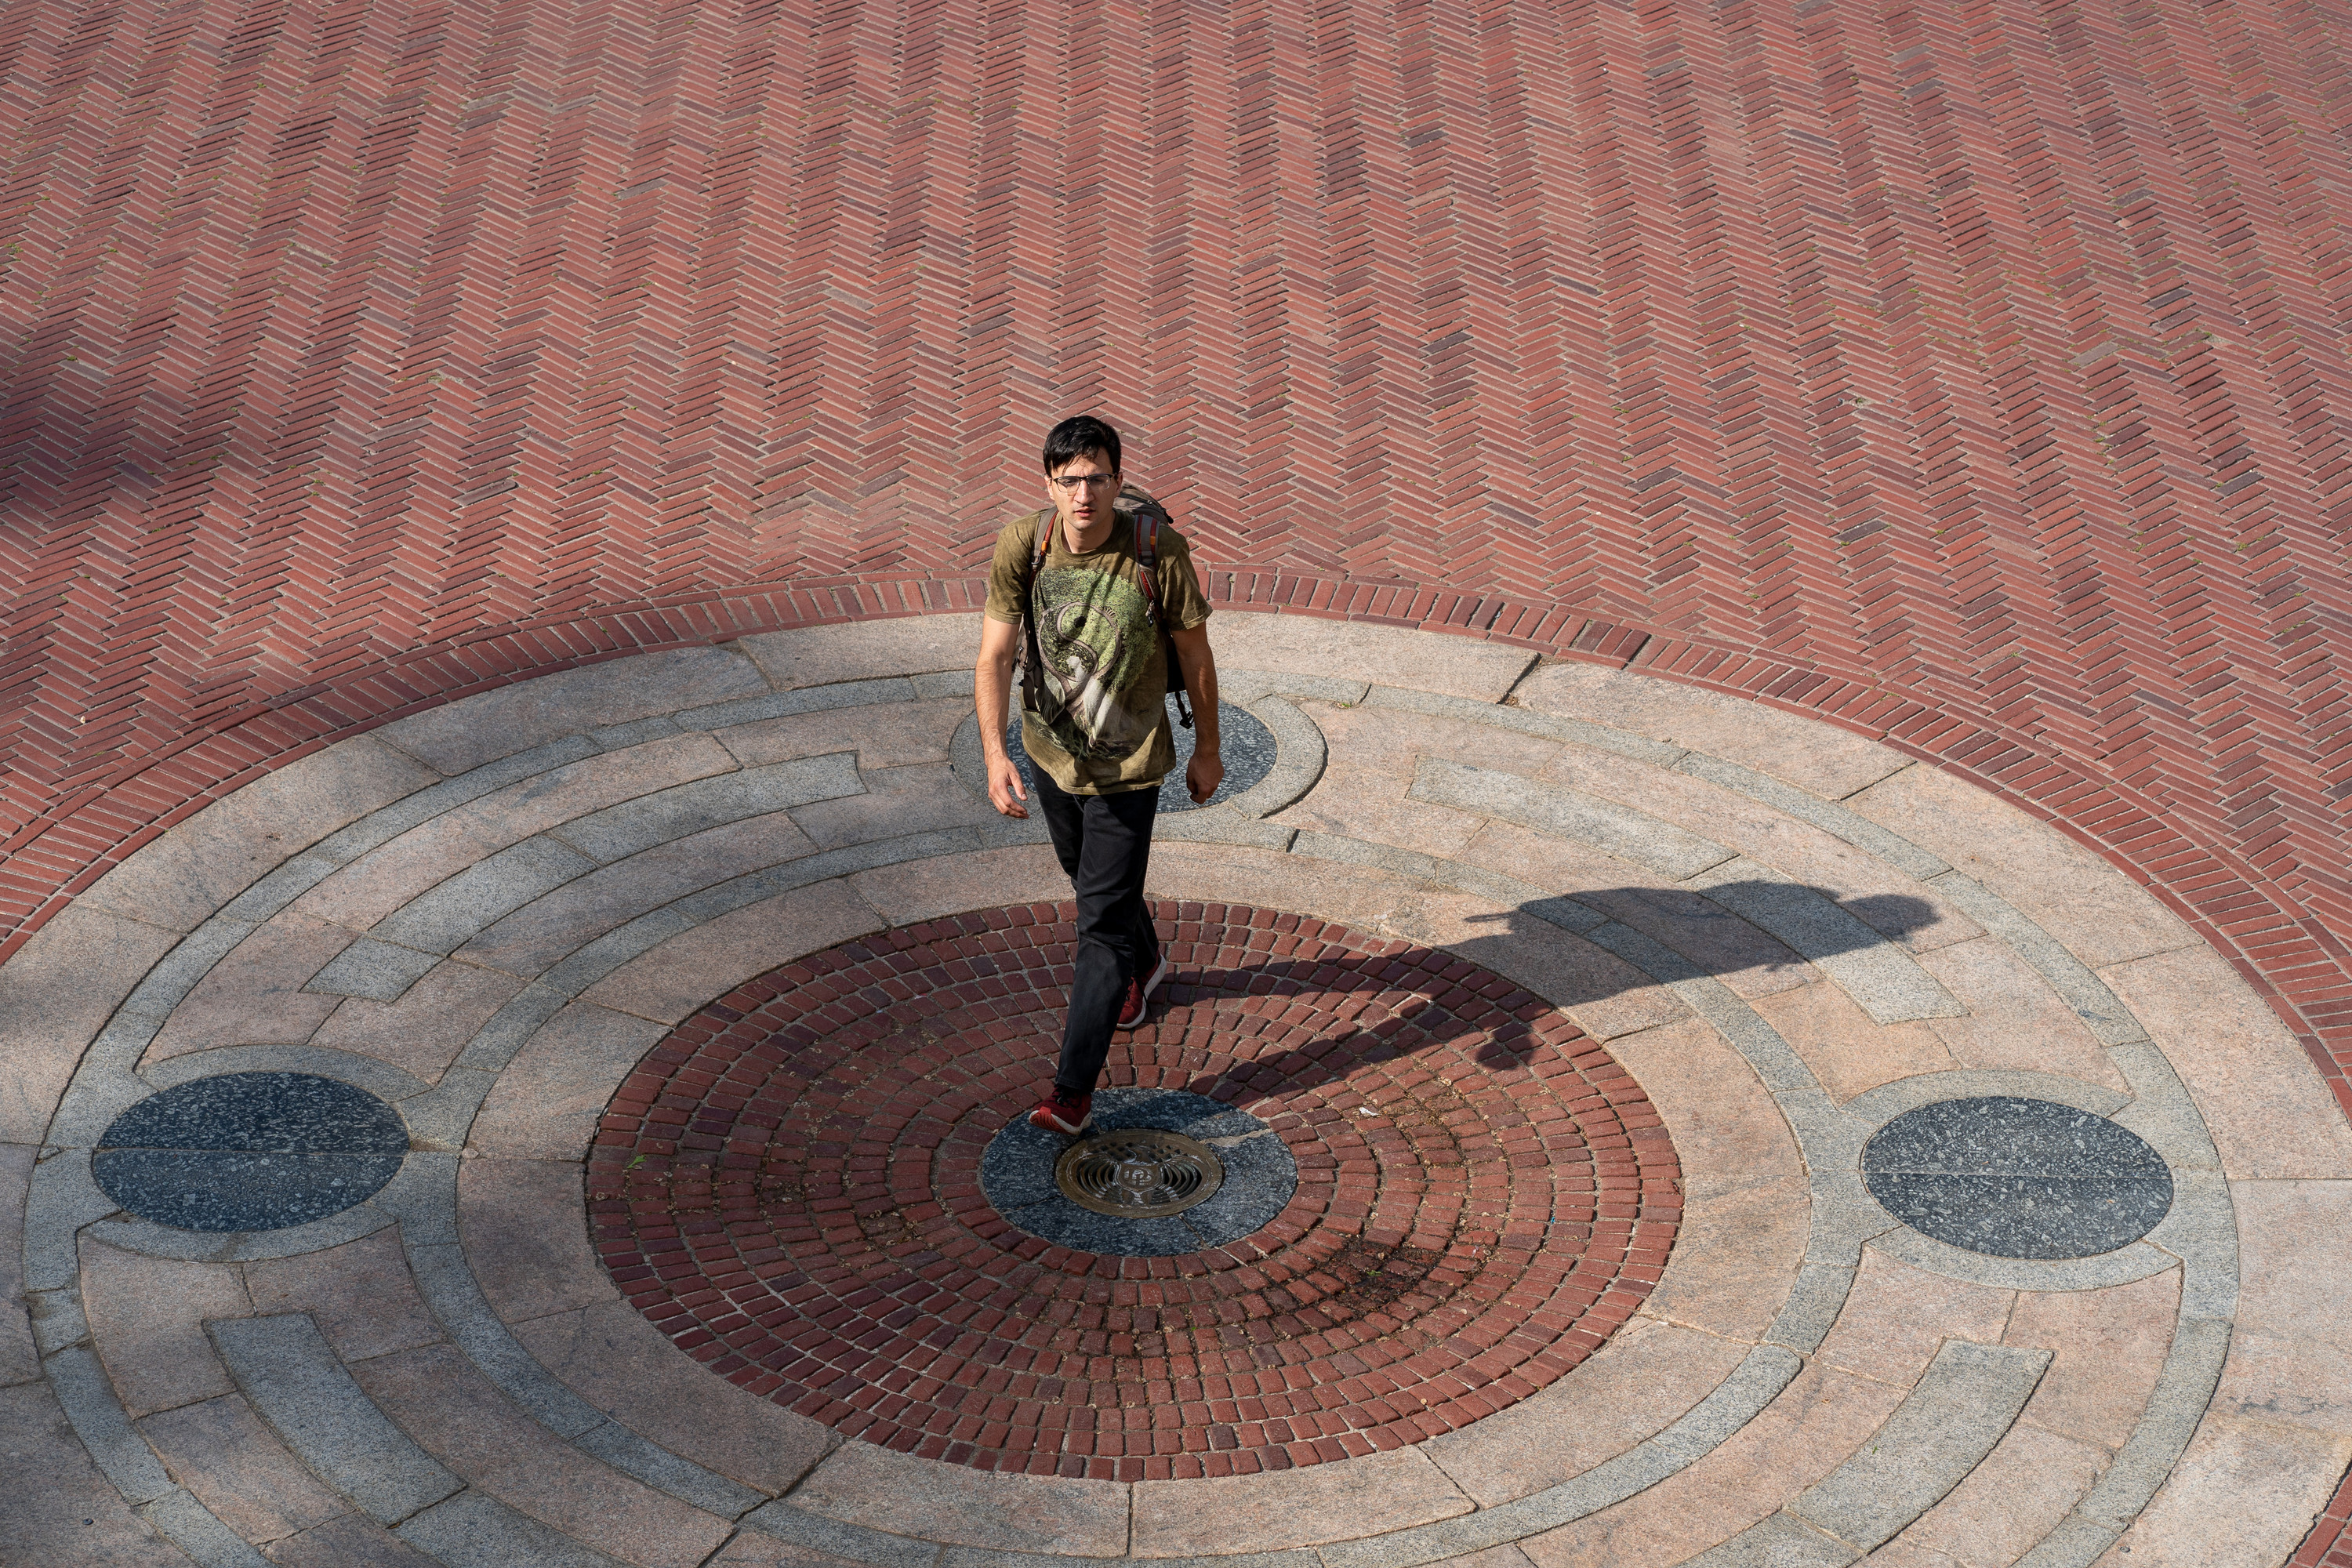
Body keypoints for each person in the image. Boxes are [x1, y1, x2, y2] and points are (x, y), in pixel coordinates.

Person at [975, 415, 1221, 1134]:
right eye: (1071, 480)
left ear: (1118, 479)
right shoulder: (1024, 545)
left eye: (1098, 478)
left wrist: (1208, 749)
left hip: (1129, 766)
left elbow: (1196, 654)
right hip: (1051, 754)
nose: (1085, 494)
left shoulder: (1156, 550)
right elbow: (995, 656)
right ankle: (1147, 962)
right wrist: (996, 754)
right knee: (1092, 884)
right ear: (1049, 484)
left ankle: (1072, 1094)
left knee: (1099, 927)